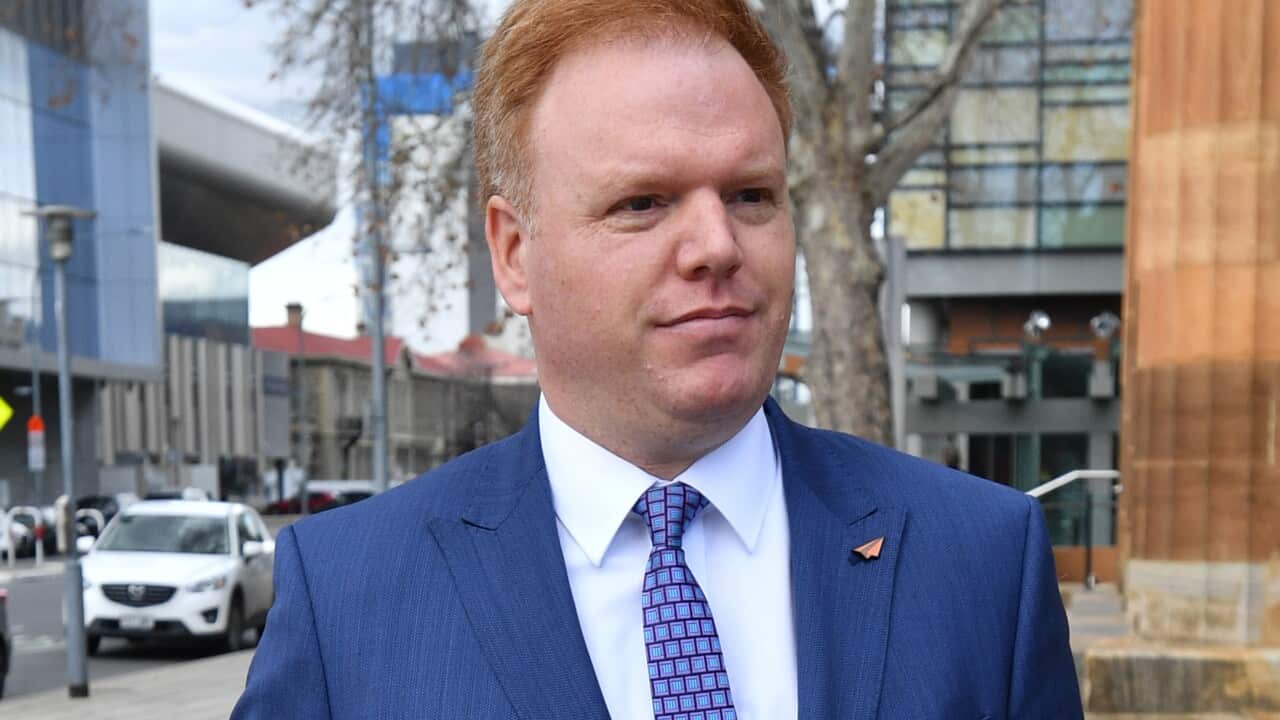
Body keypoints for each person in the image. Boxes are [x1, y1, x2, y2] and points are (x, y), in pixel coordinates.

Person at [233, 0, 1082, 717]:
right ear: (515, 254)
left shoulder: (980, 561)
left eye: (751, 195)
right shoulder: (347, 598)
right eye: (644, 202)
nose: (717, 245)